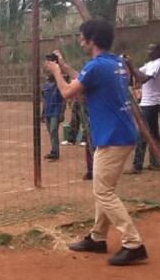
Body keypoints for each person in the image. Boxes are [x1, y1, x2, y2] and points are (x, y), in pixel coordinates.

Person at [44, 18, 147, 266]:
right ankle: (97, 237)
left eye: (82, 37)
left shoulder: (97, 66)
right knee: (105, 190)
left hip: (112, 136)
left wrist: (57, 72)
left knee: (103, 191)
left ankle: (134, 243)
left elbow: (69, 92)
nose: (80, 40)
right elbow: (87, 80)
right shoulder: (115, 63)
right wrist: (67, 68)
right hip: (120, 133)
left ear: (91, 40)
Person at [123, 43, 160, 174]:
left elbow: (142, 78)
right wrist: (127, 65)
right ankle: (155, 162)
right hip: (149, 103)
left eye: (152, 49)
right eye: (148, 48)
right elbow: (136, 74)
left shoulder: (158, 63)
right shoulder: (150, 64)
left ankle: (137, 165)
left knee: (143, 133)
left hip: (151, 103)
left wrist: (131, 65)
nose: (148, 51)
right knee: (153, 133)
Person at [42, 73, 65, 162]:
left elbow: (63, 100)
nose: (48, 76)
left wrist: (62, 113)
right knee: (51, 133)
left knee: (53, 131)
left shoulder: (58, 86)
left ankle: (56, 153)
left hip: (56, 112)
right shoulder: (46, 86)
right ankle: (53, 150)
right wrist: (43, 113)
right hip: (48, 111)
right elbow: (44, 100)